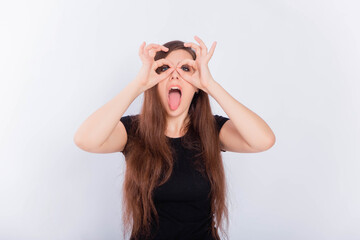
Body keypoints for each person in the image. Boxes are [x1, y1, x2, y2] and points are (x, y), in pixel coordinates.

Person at [74, 35, 276, 240]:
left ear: (197, 87)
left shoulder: (212, 130)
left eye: (186, 69)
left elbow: (263, 140)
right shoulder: (134, 131)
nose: (175, 76)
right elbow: (86, 139)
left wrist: (210, 84)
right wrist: (138, 84)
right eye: (164, 69)